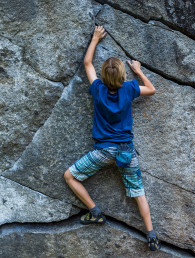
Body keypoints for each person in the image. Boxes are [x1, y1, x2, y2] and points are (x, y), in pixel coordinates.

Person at [64, 26, 160, 251]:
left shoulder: (97, 88)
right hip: (126, 151)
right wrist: (138, 71)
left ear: (103, 76)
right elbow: (152, 89)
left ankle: (95, 211)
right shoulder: (129, 89)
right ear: (123, 76)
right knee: (138, 192)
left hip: (103, 151)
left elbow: (87, 64)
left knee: (70, 177)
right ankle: (152, 234)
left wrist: (95, 38)